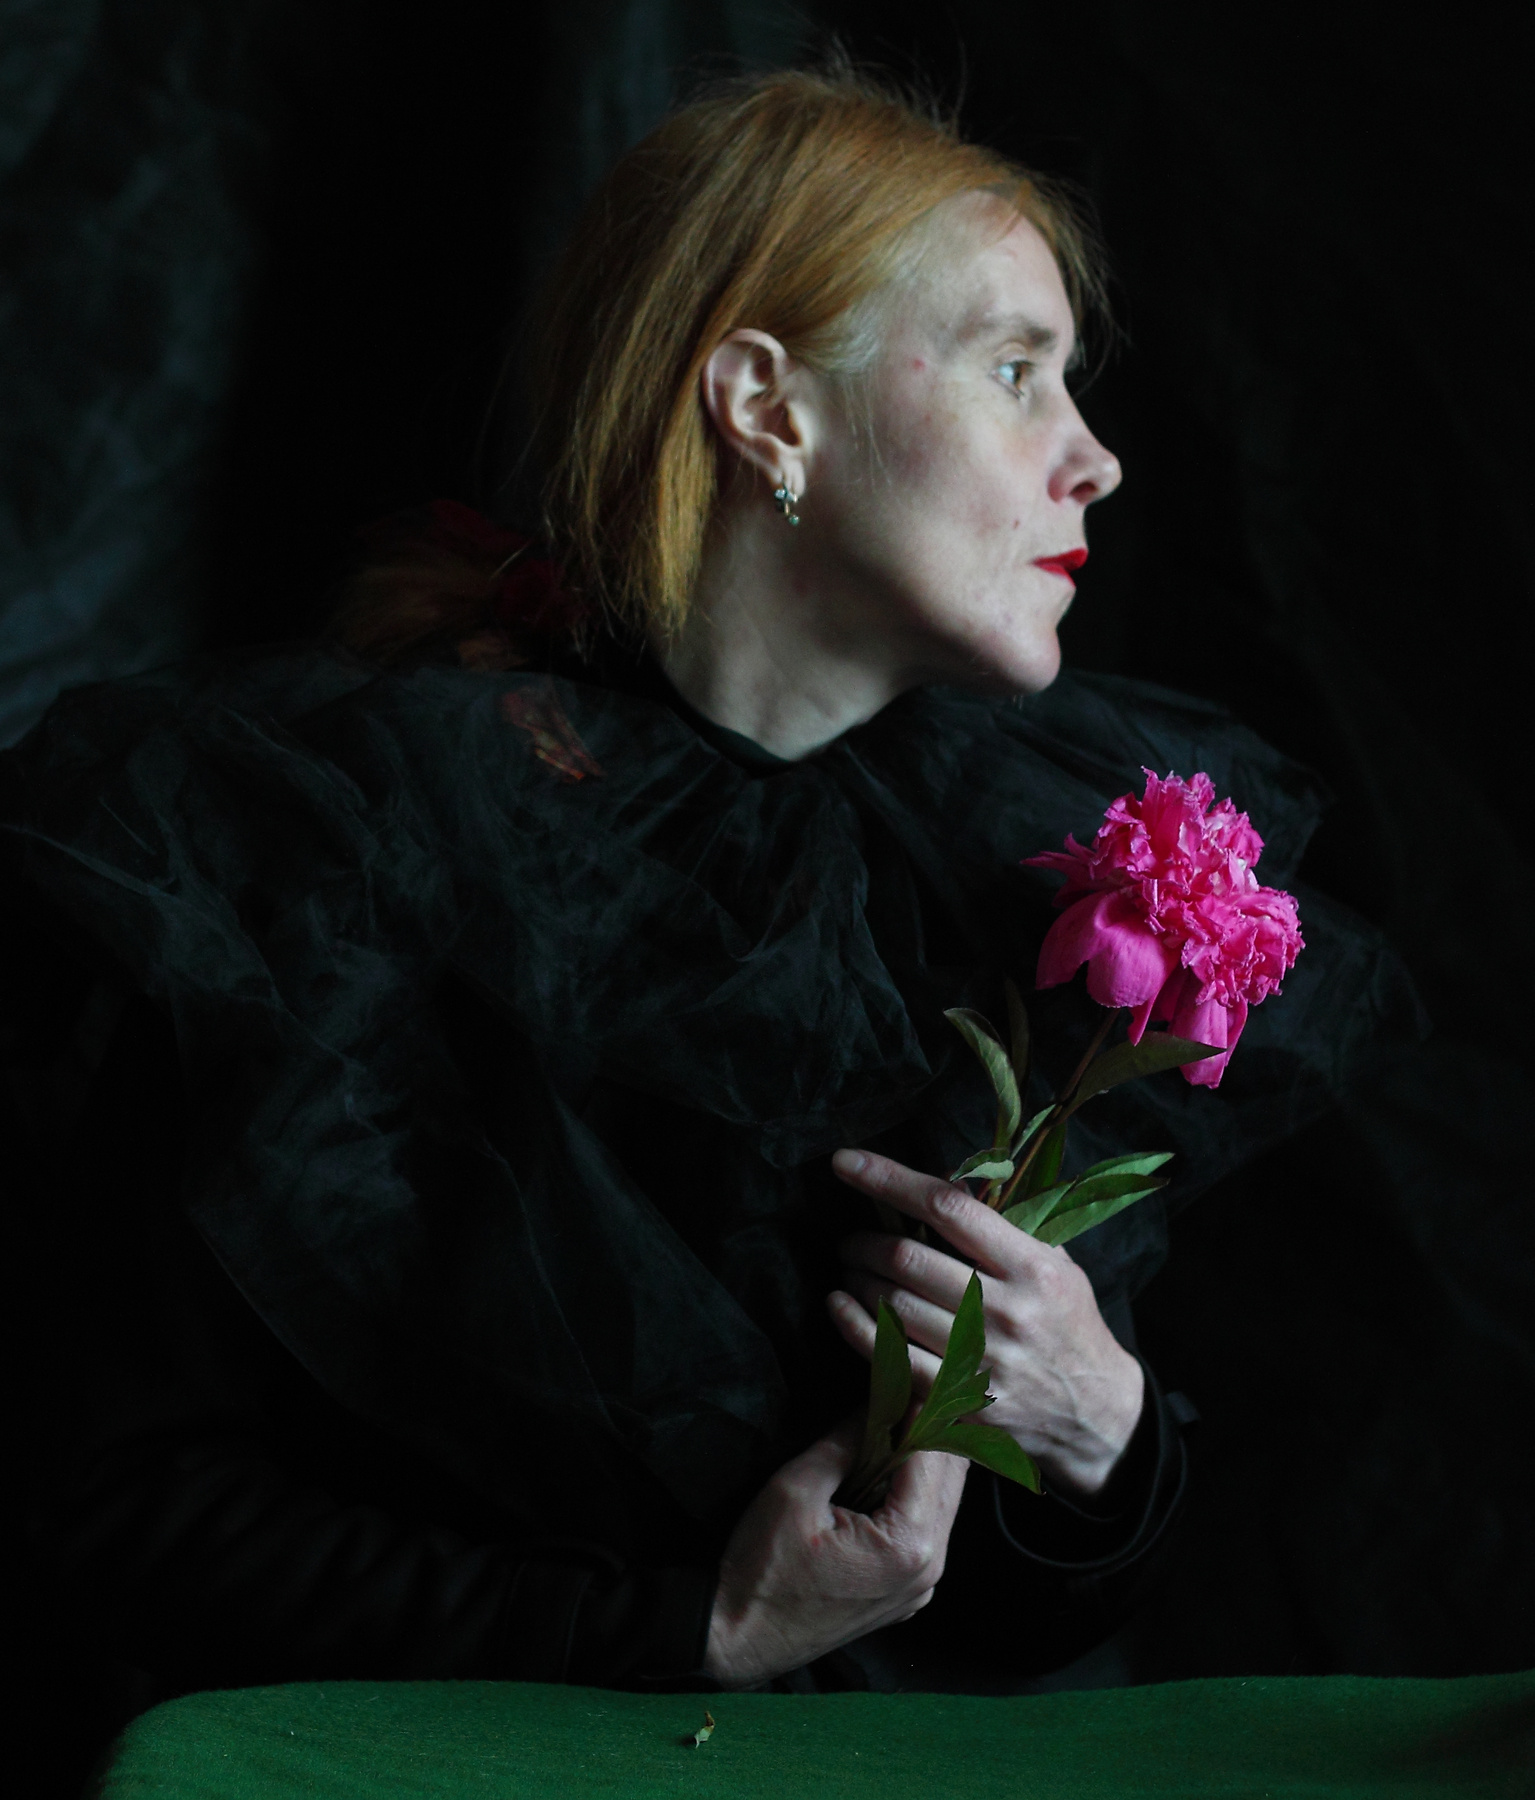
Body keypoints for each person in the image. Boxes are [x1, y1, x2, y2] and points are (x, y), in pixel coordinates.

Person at [2, 68, 1409, 1715]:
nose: (1093, 459)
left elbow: (960, 1600)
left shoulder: (982, 879)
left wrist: (1097, 1433)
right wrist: (689, 1632)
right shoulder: (340, 850)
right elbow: (110, 1508)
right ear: (766, 408)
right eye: (1014, 370)